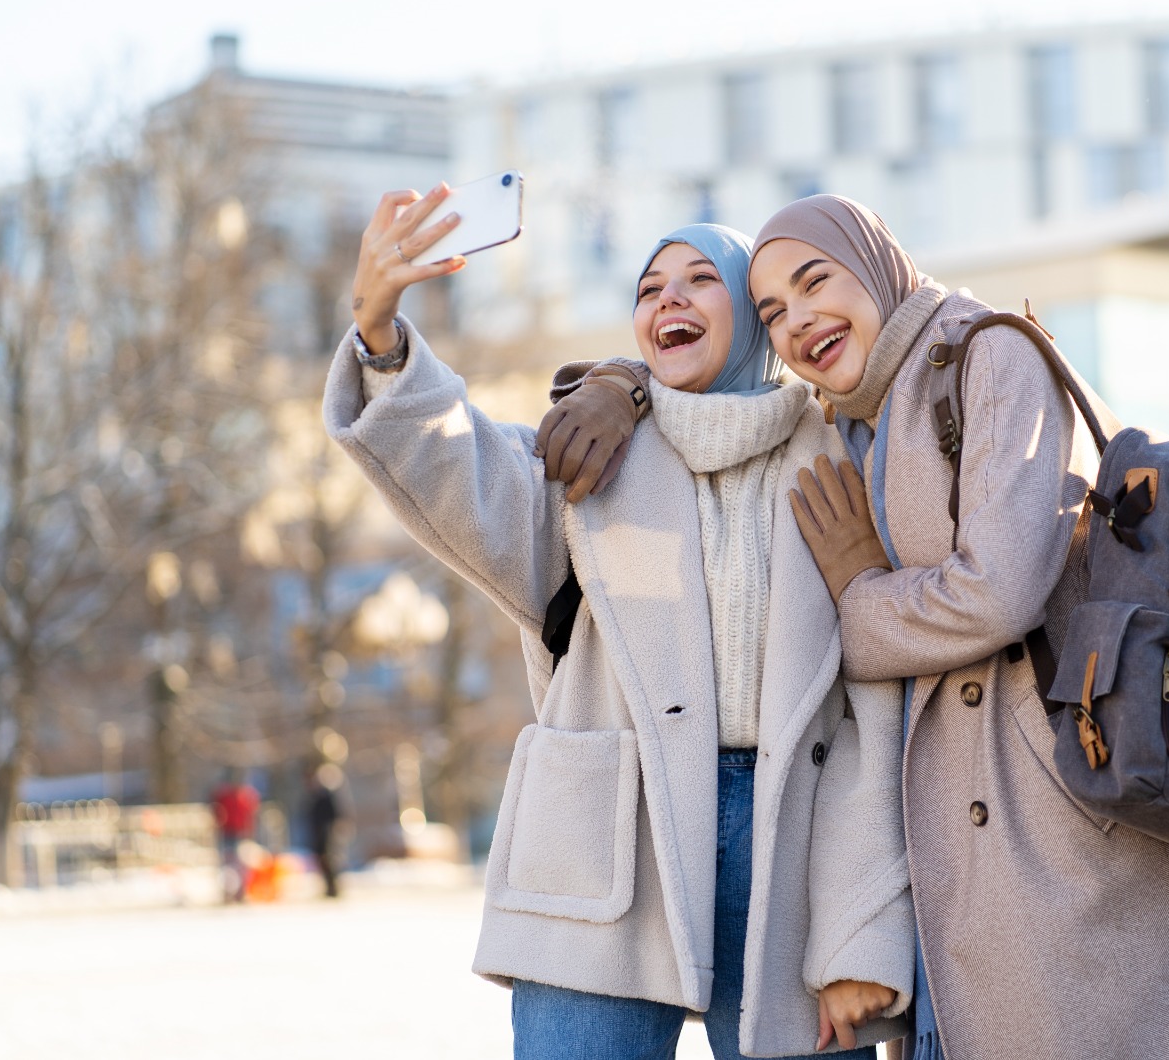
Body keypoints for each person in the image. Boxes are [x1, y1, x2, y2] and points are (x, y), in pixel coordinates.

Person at [322, 184, 913, 1060]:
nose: (668, 297)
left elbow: (877, 714)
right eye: (648, 288)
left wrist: (863, 929)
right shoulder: (587, 453)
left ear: (755, 313)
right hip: (603, 842)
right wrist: (380, 330)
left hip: (796, 856)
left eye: (700, 278)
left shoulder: (839, 457)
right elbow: (452, 462)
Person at [751, 195, 1169, 1060]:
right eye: (773, 313)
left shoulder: (989, 354)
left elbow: (1000, 590)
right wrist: (612, 388)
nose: (799, 321)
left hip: (1062, 849)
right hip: (961, 875)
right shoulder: (862, 414)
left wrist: (859, 599)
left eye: (813, 282)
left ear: (875, 265)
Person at [210, 769, 259, 904]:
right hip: (227, 832)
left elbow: (251, 814)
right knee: (228, 865)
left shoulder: (245, 796)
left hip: (241, 833)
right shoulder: (225, 796)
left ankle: (240, 892)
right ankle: (227, 892)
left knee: (241, 865)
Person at [303, 764, 346, 899]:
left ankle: (333, 888)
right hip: (318, 834)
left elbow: (334, 815)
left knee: (329, 861)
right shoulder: (314, 797)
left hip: (326, 835)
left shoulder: (326, 796)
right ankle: (329, 887)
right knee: (322, 862)